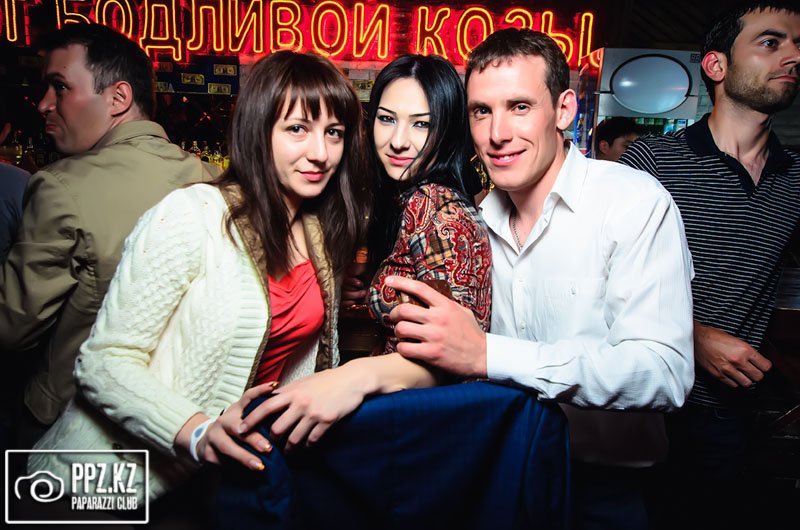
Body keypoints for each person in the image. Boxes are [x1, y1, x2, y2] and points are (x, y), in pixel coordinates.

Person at [24, 50, 369, 519]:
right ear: (258, 131)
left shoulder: (319, 237)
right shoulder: (192, 216)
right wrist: (197, 431)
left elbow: (299, 368)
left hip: (219, 487)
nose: (321, 153)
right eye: (297, 129)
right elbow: (103, 362)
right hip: (110, 482)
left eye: (334, 132)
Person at [385, 29, 695, 530]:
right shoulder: (471, 221)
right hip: (501, 475)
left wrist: (488, 354)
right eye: (481, 111)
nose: (497, 133)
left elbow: (664, 373)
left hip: (604, 489)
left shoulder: (632, 203)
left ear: (564, 109)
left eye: (520, 107)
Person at [234, 54, 492, 450]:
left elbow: (452, 359)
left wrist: (350, 378)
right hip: (408, 421)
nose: (398, 140)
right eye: (387, 119)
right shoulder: (412, 199)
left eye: (421, 124)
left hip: (429, 431)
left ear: (447, 130)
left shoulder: (434, 207)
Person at [618, 2, 800, 528]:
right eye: (771, 42)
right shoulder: (652, 161)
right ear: (716, 65)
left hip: (734, 417)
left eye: (798, 45)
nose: (792, 56)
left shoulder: (795, 177)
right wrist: (692, 337)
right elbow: (595, 279)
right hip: (645, 405)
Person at [0, 23, 217, 448]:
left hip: (71, 429)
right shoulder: (211, 179)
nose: (43, 104)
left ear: (118, 98)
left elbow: (11, 327)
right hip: (174, 420)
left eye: (60, 87)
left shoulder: (61, 187)